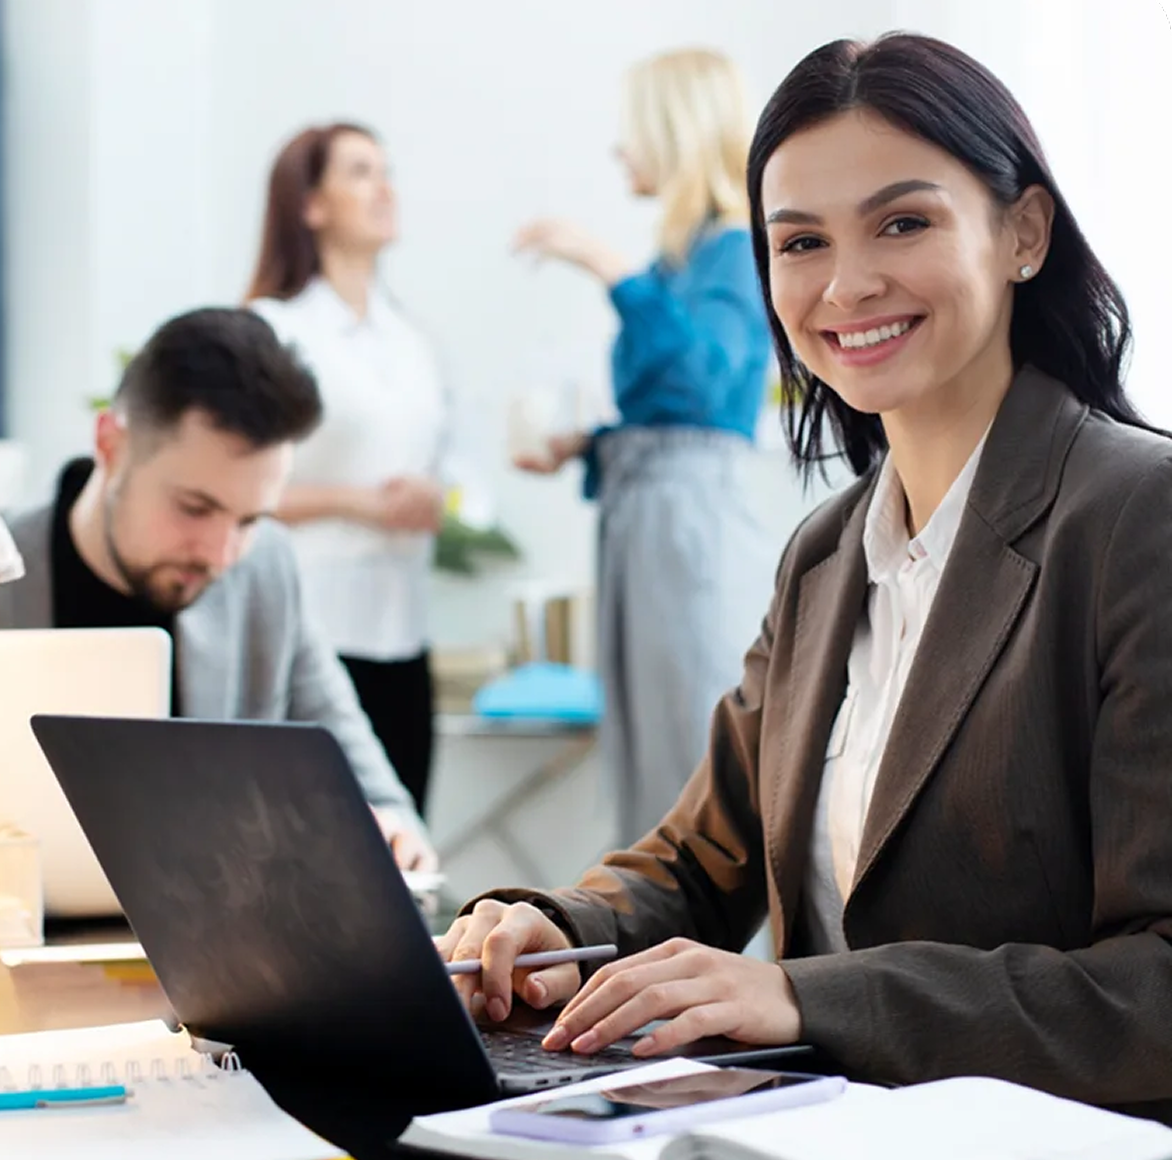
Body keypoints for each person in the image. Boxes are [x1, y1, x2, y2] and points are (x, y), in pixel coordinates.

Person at [437, 32, 1172, 1118]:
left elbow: (1158, 985)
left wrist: (803, 995)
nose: (846, 283)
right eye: (800, 242)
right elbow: (703, 857)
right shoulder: (826, 552)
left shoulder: (1138, 516)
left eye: (903, 222)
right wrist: (554, 928)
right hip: (802, 1126)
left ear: (1024, 232)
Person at [0, 307, 437, 871]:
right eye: (195, 508)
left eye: (249, 519)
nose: (221, 554)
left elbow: (377, 790)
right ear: (110, 444)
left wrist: (389, 831)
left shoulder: (266, 572)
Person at [511, 48, 775, 847]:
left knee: (689, 749)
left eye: (633, 130)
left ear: (674, 131)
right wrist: (586, 445)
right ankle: (651, 922)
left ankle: (705, 927)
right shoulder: (679, 261)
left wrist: (607, 268)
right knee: (645, 755)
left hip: (686, 525)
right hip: (648, 518)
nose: (620, 149)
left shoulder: (734, 248)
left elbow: (703, 382)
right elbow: (674, 407)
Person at [245, 123, 456, 818]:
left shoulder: (411, 338)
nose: (385, 188)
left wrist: (436, 497)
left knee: (405, 846)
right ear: (311, 205)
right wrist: (357, 503)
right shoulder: (275, 330)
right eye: (361, 173)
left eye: (387, 171)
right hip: (317, 632)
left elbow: (446, 465)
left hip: (405, 636)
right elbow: (237, 491)